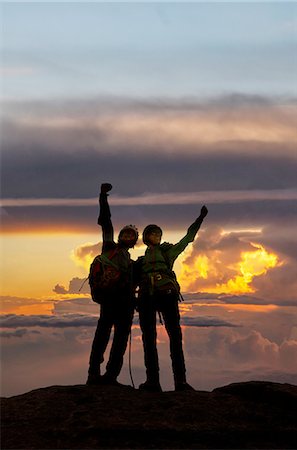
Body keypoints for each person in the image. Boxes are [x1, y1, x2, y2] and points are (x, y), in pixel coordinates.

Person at [136, 205, 208, 392]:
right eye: (153, 234)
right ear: (146, 237)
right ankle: (154, 381)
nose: (157, 236)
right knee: (150, 339)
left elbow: (187, 239)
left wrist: (199, 219)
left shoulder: (167, 252)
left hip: (163, 296)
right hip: (148, 297)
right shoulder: (141, 261)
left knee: (174, 338)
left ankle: (180, 382)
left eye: (158, 233)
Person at [86, 183, 138, 386]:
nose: (127, 236)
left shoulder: (133, 263)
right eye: (125, 234)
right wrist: (103, 197)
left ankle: (110, 377)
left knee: (120, 340)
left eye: (131, 235)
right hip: (110, 301)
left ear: (134, 241)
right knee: (103, 336)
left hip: (125, 303)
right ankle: (94, 374)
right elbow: (106, 222)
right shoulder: (109, 246)